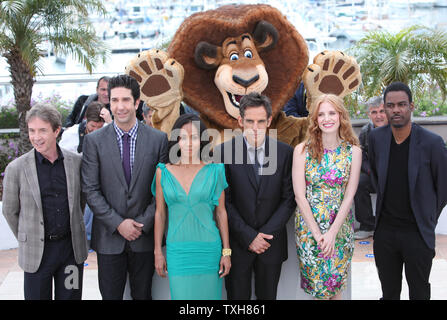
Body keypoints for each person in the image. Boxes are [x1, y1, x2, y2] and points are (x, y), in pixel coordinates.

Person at [81, 74, 168, 300]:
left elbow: (162, 190)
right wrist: (119, 224)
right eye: (115, 100)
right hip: (110, 238)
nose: (120, 107)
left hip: (144, 237)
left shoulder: (158, 139)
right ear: (109, 102)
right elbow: (90, 190)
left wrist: (143, 223)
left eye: (126, 100)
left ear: (137, 103)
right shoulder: (94, 141)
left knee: (143, 296)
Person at [369, 82, 447, 300]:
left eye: (402, 104)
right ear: (384, 108)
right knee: (389, 292)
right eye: (391, 105)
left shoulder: (432, 143)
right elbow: (375, 174)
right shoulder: (376, 139)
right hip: (385, 232)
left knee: (419, 291)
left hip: (417, 233)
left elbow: (443, 188)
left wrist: (427, 218)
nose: (396, 110)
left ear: (411, 106)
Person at [214, 92, 296, 300]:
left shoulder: (285, 153)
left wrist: (265, 235)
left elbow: (288, 199)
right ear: (240, 121)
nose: (255, 127)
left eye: (261, 121)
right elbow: (224, 202)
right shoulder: (223, 152)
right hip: (238, 245)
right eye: (250, 121)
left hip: (271, 245)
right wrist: (249, 236)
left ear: (269, 121)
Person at [2, 104, 88, 300]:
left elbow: (80, 202)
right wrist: (27, 236)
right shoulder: (16, 168)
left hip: (70, 253)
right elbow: (9, 211)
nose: (36, 137)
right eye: (32, 131)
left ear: (57, 131)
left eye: (42, 130)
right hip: (36, 255)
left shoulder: (75, 163)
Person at [152, 114, 231, 300]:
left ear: (202, 140)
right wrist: (157, 252)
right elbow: (160, 214)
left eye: (194, 137)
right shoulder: (163, 172)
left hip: (209, 250)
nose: (189, 143)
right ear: (176, 140)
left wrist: (226, 252)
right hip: (177, 251)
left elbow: (221, 213)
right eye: (183, 137)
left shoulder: (215, 171)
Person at [292, 94, 361, 300]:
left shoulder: (353, 152)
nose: (326, 118)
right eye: (321, 114)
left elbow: (349, 196)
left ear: (341, 116)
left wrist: (332, 234)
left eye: (332, 113)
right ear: (315, 119)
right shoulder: (302, 151)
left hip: (339, 229)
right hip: (309, 231)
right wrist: (317, 234)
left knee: (336, 288)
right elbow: (299, 196)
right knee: (318, 290)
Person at [354, 96, 388, 240]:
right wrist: (371, 171)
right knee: (358, 183)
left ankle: (390, 225)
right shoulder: (366, 131)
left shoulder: (397, 128)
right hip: (372, 174)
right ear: (369, 115)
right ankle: (367, 225)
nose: (379, 116)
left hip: (393, 174)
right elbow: (361, 156)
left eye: (382, 111)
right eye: (374, 112)